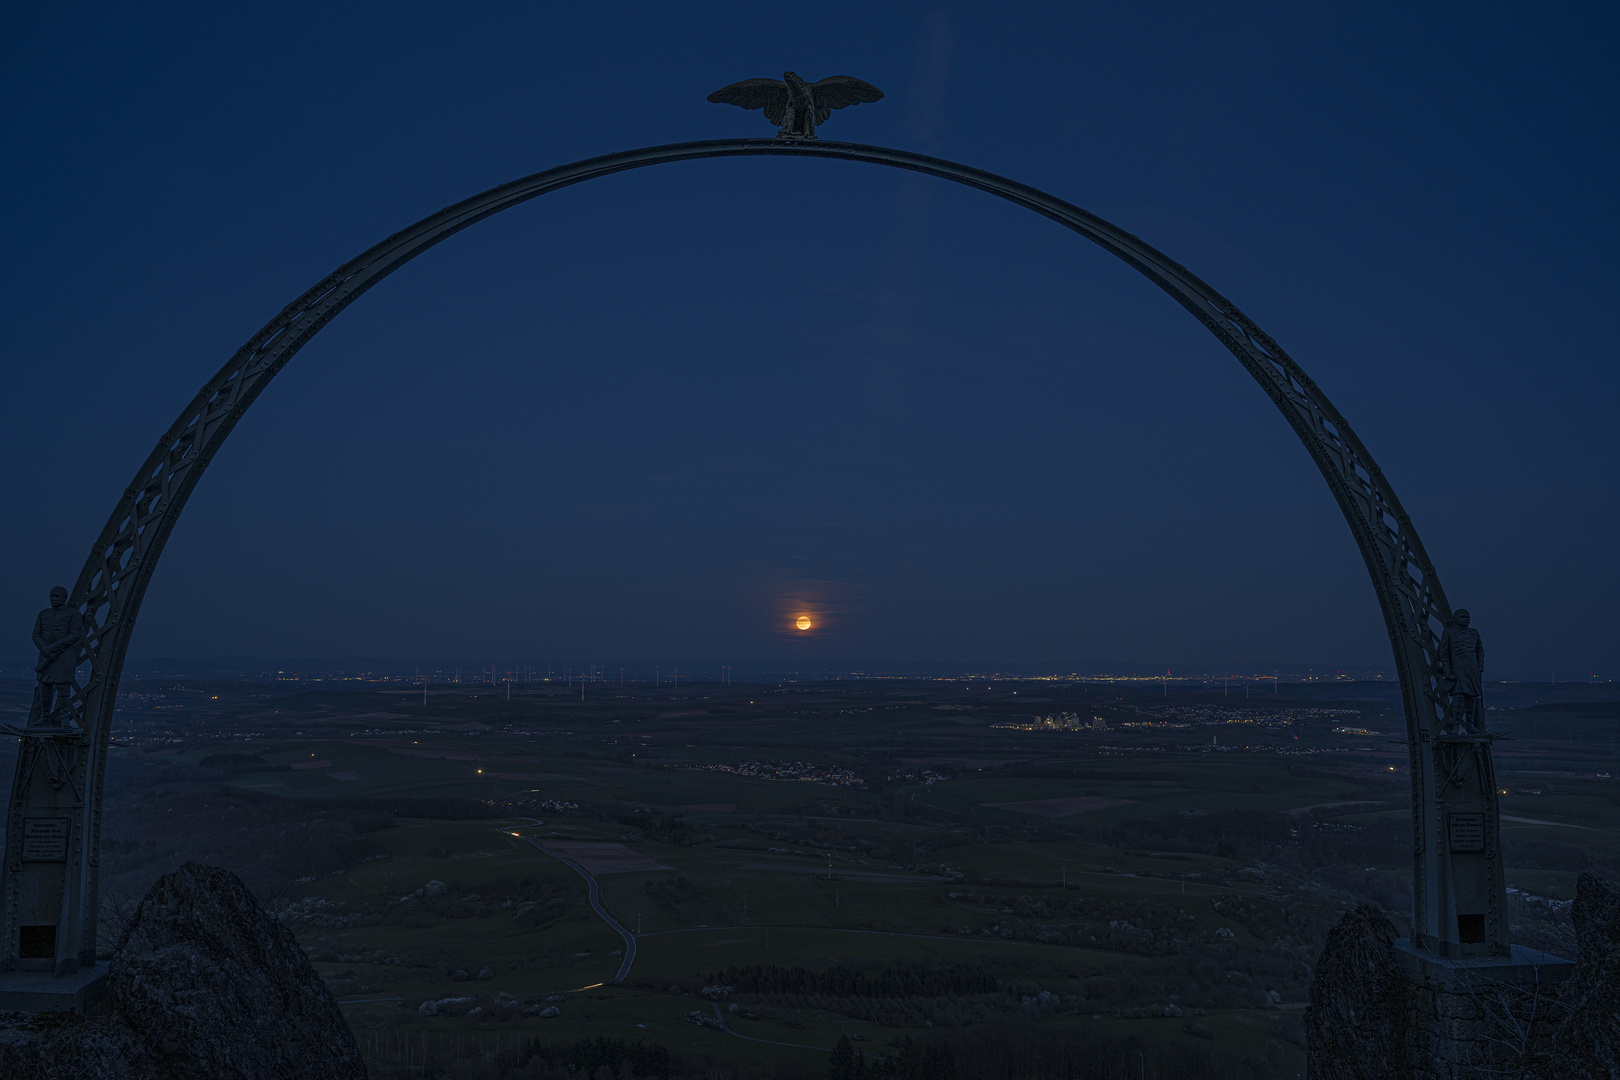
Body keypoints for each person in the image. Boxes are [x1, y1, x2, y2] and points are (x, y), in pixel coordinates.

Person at [31, 586, 84, 727]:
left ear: (64, 598)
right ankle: (44, 716)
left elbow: (74, 635)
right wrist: (45, 649)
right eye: (52, 596)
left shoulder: (73, 614)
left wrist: (52, 648)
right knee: (44, 686)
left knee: (64, 688)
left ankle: (64, 717)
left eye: (57, 596)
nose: (54, 599)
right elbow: (36, 634)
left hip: (63, 656)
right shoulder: (43, 614)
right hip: (46, 656)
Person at [1435, 608, 1484, 733]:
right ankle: (1456, 724)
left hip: (1472, 670)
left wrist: (1480, 666)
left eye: (1467, 618)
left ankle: (1470, 724)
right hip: (1458, 670)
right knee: (1459, 698)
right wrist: (1447, 671)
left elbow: (1479, 650)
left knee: (1472, 697)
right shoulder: (1449, 632)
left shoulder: (1474, 633)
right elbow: (1444, 653)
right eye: (1462, 617)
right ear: (1455, 619)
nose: (1465, 620)